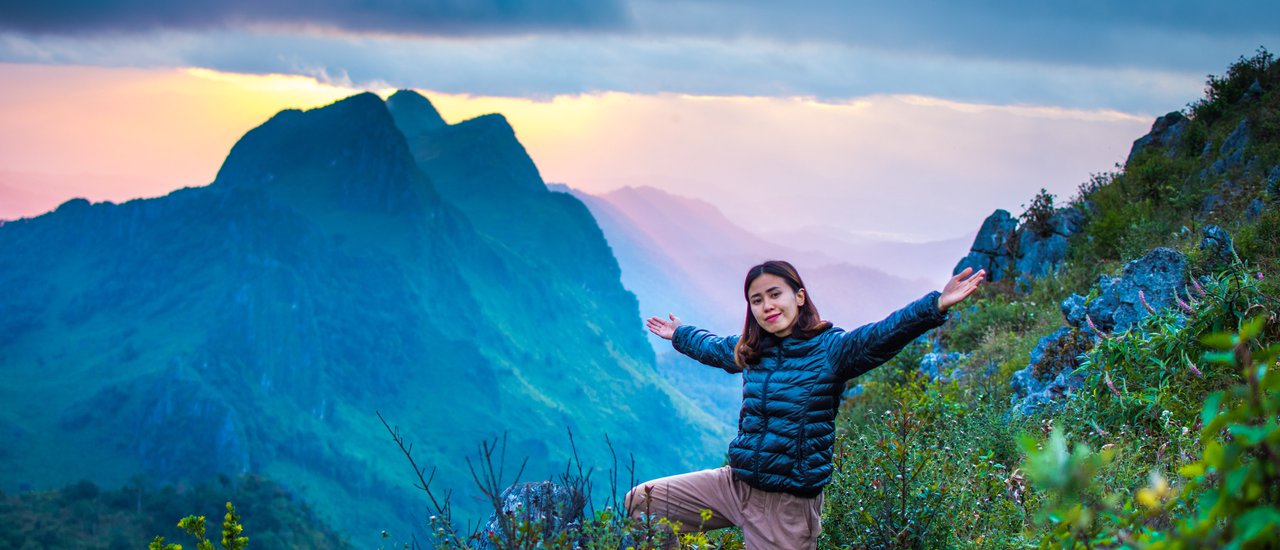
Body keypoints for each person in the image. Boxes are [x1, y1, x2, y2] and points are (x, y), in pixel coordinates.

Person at [626, 260, 985, 550]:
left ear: (799, 297)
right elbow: (715, 347)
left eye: (774, 294)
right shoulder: (753, 349)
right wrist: (680, 334)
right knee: (642, 502)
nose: (767, 306)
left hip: (786, 506)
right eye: (756, 299)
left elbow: (882, 334)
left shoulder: (831, 350)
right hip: (735, 484)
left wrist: (935, 305)